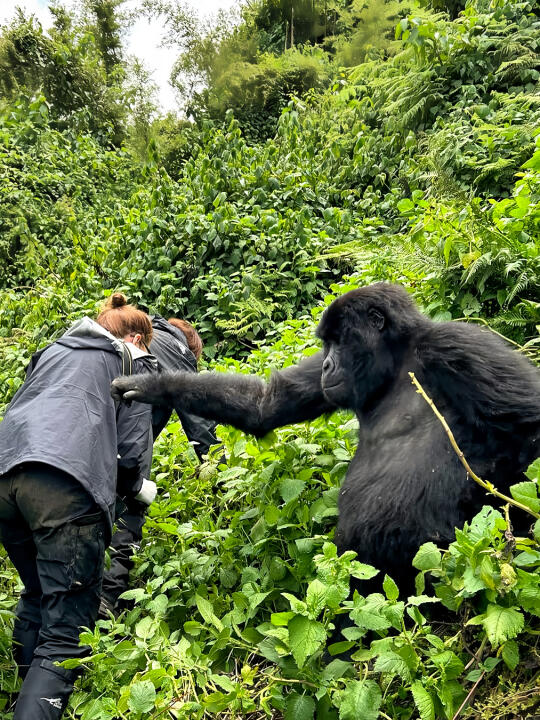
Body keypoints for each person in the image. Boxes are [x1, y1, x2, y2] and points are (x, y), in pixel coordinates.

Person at [0, 293, 155, 719]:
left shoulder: (53, 349)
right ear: (139, 339)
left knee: (37, 593)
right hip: (67, 487)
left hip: (5, 474)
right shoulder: (134, 364)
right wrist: (138, 490)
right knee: (65, 637)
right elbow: (131, 454)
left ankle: (22, 694)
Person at [100, 316, 220, 616]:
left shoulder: (138, 335)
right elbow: (199, 420)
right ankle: (107, 599)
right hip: (125, 437)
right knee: (131, 504)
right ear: (192, 348)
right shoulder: (176, 350)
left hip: (86, 432)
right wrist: (222, 477)